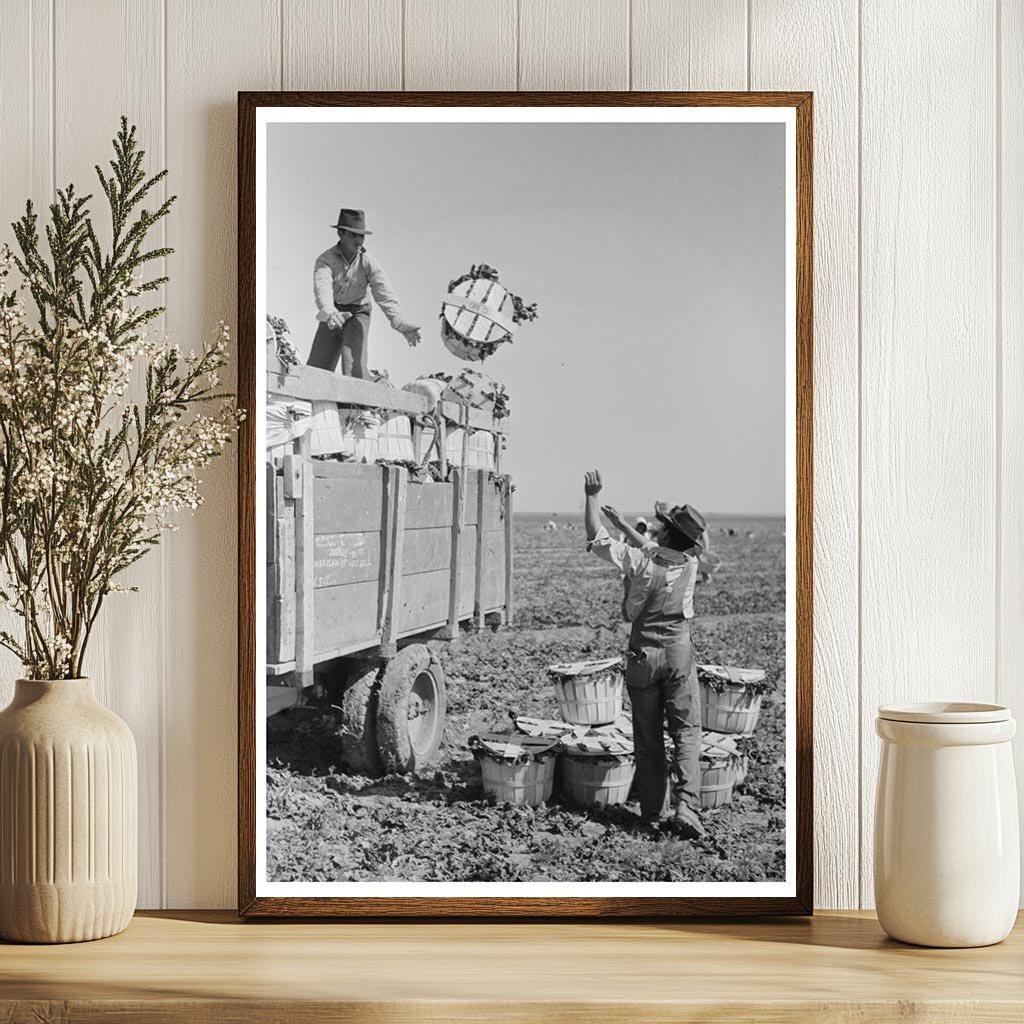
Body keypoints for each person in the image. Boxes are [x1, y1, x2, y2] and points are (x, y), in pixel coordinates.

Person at [583, 469, 714, 839]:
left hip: (642, 657)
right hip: (678, 656)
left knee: (648, 736)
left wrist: (592, 498)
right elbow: (654, 548)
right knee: (687, 732)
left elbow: (597, 537)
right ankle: (687, 805)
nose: (655, 529)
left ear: (667, 533)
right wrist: (626, 524)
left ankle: (652, 812)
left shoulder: (641, 562)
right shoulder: (690, 565)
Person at [309, 208, 422, 378]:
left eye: (361, 236)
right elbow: (322, 289)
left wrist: (398, 322)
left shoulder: (368, 262)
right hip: (334, 312)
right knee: (317, 369)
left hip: (358, 312)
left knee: (355, 368)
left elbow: (384, 294)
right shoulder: (325, 260)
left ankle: (363, 397)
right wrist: (330, 312)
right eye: (354, 235)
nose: (359, 240)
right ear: (341, 233)